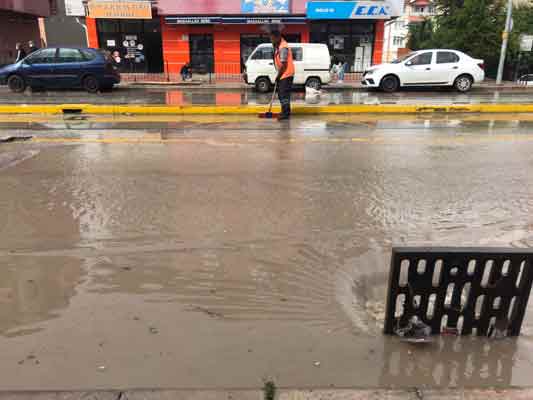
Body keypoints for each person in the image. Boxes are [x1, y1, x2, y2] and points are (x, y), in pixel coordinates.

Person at [270, 30, 295, 121]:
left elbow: (284, 64)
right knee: (282, 94)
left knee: (284, 95)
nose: (271, 41)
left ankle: (286, 113)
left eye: (272, 39)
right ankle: (284, 111)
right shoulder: (278, 46)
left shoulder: (283, 47)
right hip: (284, 73)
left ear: (277, 37)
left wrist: (278, 76)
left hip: (286, 73)